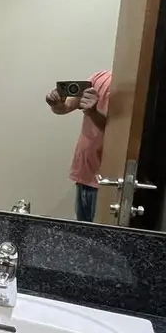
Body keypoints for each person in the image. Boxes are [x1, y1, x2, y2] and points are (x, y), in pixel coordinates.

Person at [46, 71, 112, 222]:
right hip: (84, 175)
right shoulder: (99, 77)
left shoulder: (131, 86)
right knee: (82, 237)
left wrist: (93, 112)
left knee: (98, 241)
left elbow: (119, 130)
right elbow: (64, 108)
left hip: (106, 182)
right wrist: (56, 103)